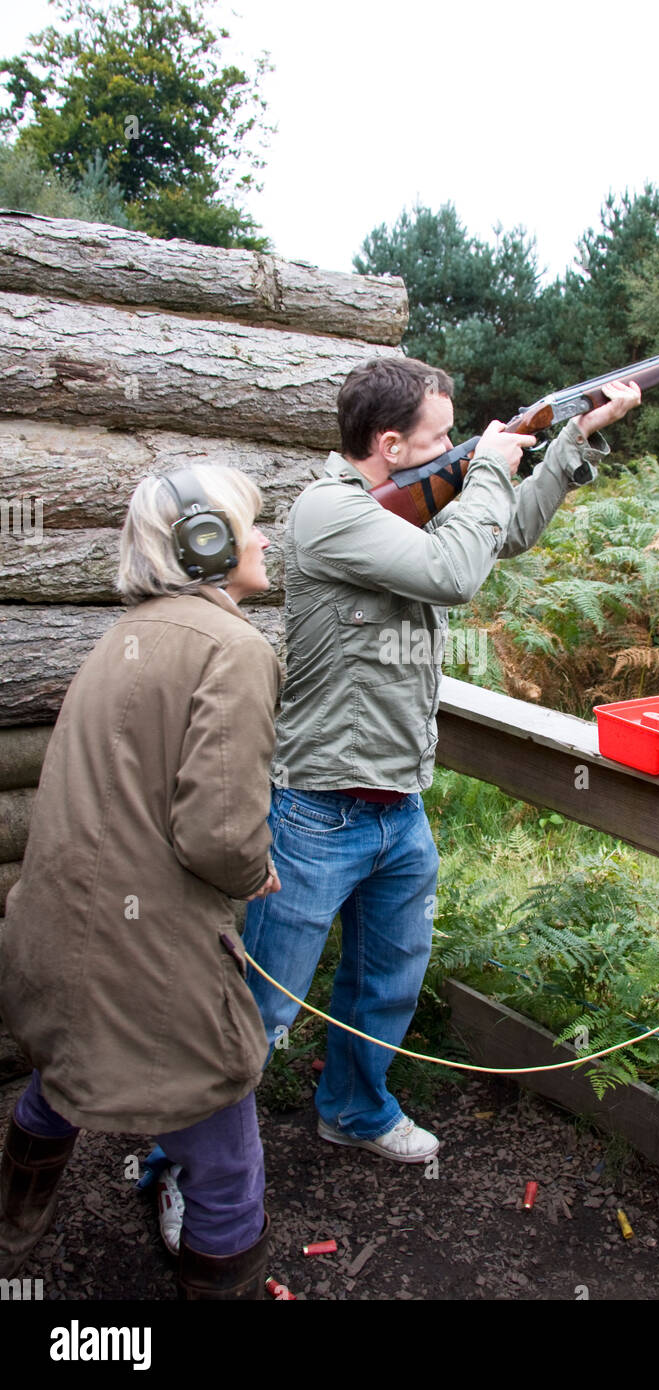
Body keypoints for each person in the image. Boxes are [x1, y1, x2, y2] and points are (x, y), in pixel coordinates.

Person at [243, 357, 641, 1160]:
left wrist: (572, 437)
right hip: (317, 809)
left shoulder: (408, 498)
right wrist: (490, 466)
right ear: (391, 445)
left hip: (399, 801)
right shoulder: (329, 512)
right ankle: (178, 1163)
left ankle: (353, 1108)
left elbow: (508, 533)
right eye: (443, 435)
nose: (458, 443)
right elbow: (457, 573)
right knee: (257, 1009)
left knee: (385, 984)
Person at [0, 465, 282, 1299]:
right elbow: (220, 836)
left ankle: (15, 1230)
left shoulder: (125, 636)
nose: (263, 539)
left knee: (68, 1072)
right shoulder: (234, 648)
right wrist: (255, 866)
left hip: (59, 940)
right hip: (152, 968)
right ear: (206, 543)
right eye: (249, 525)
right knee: (226, 1159)